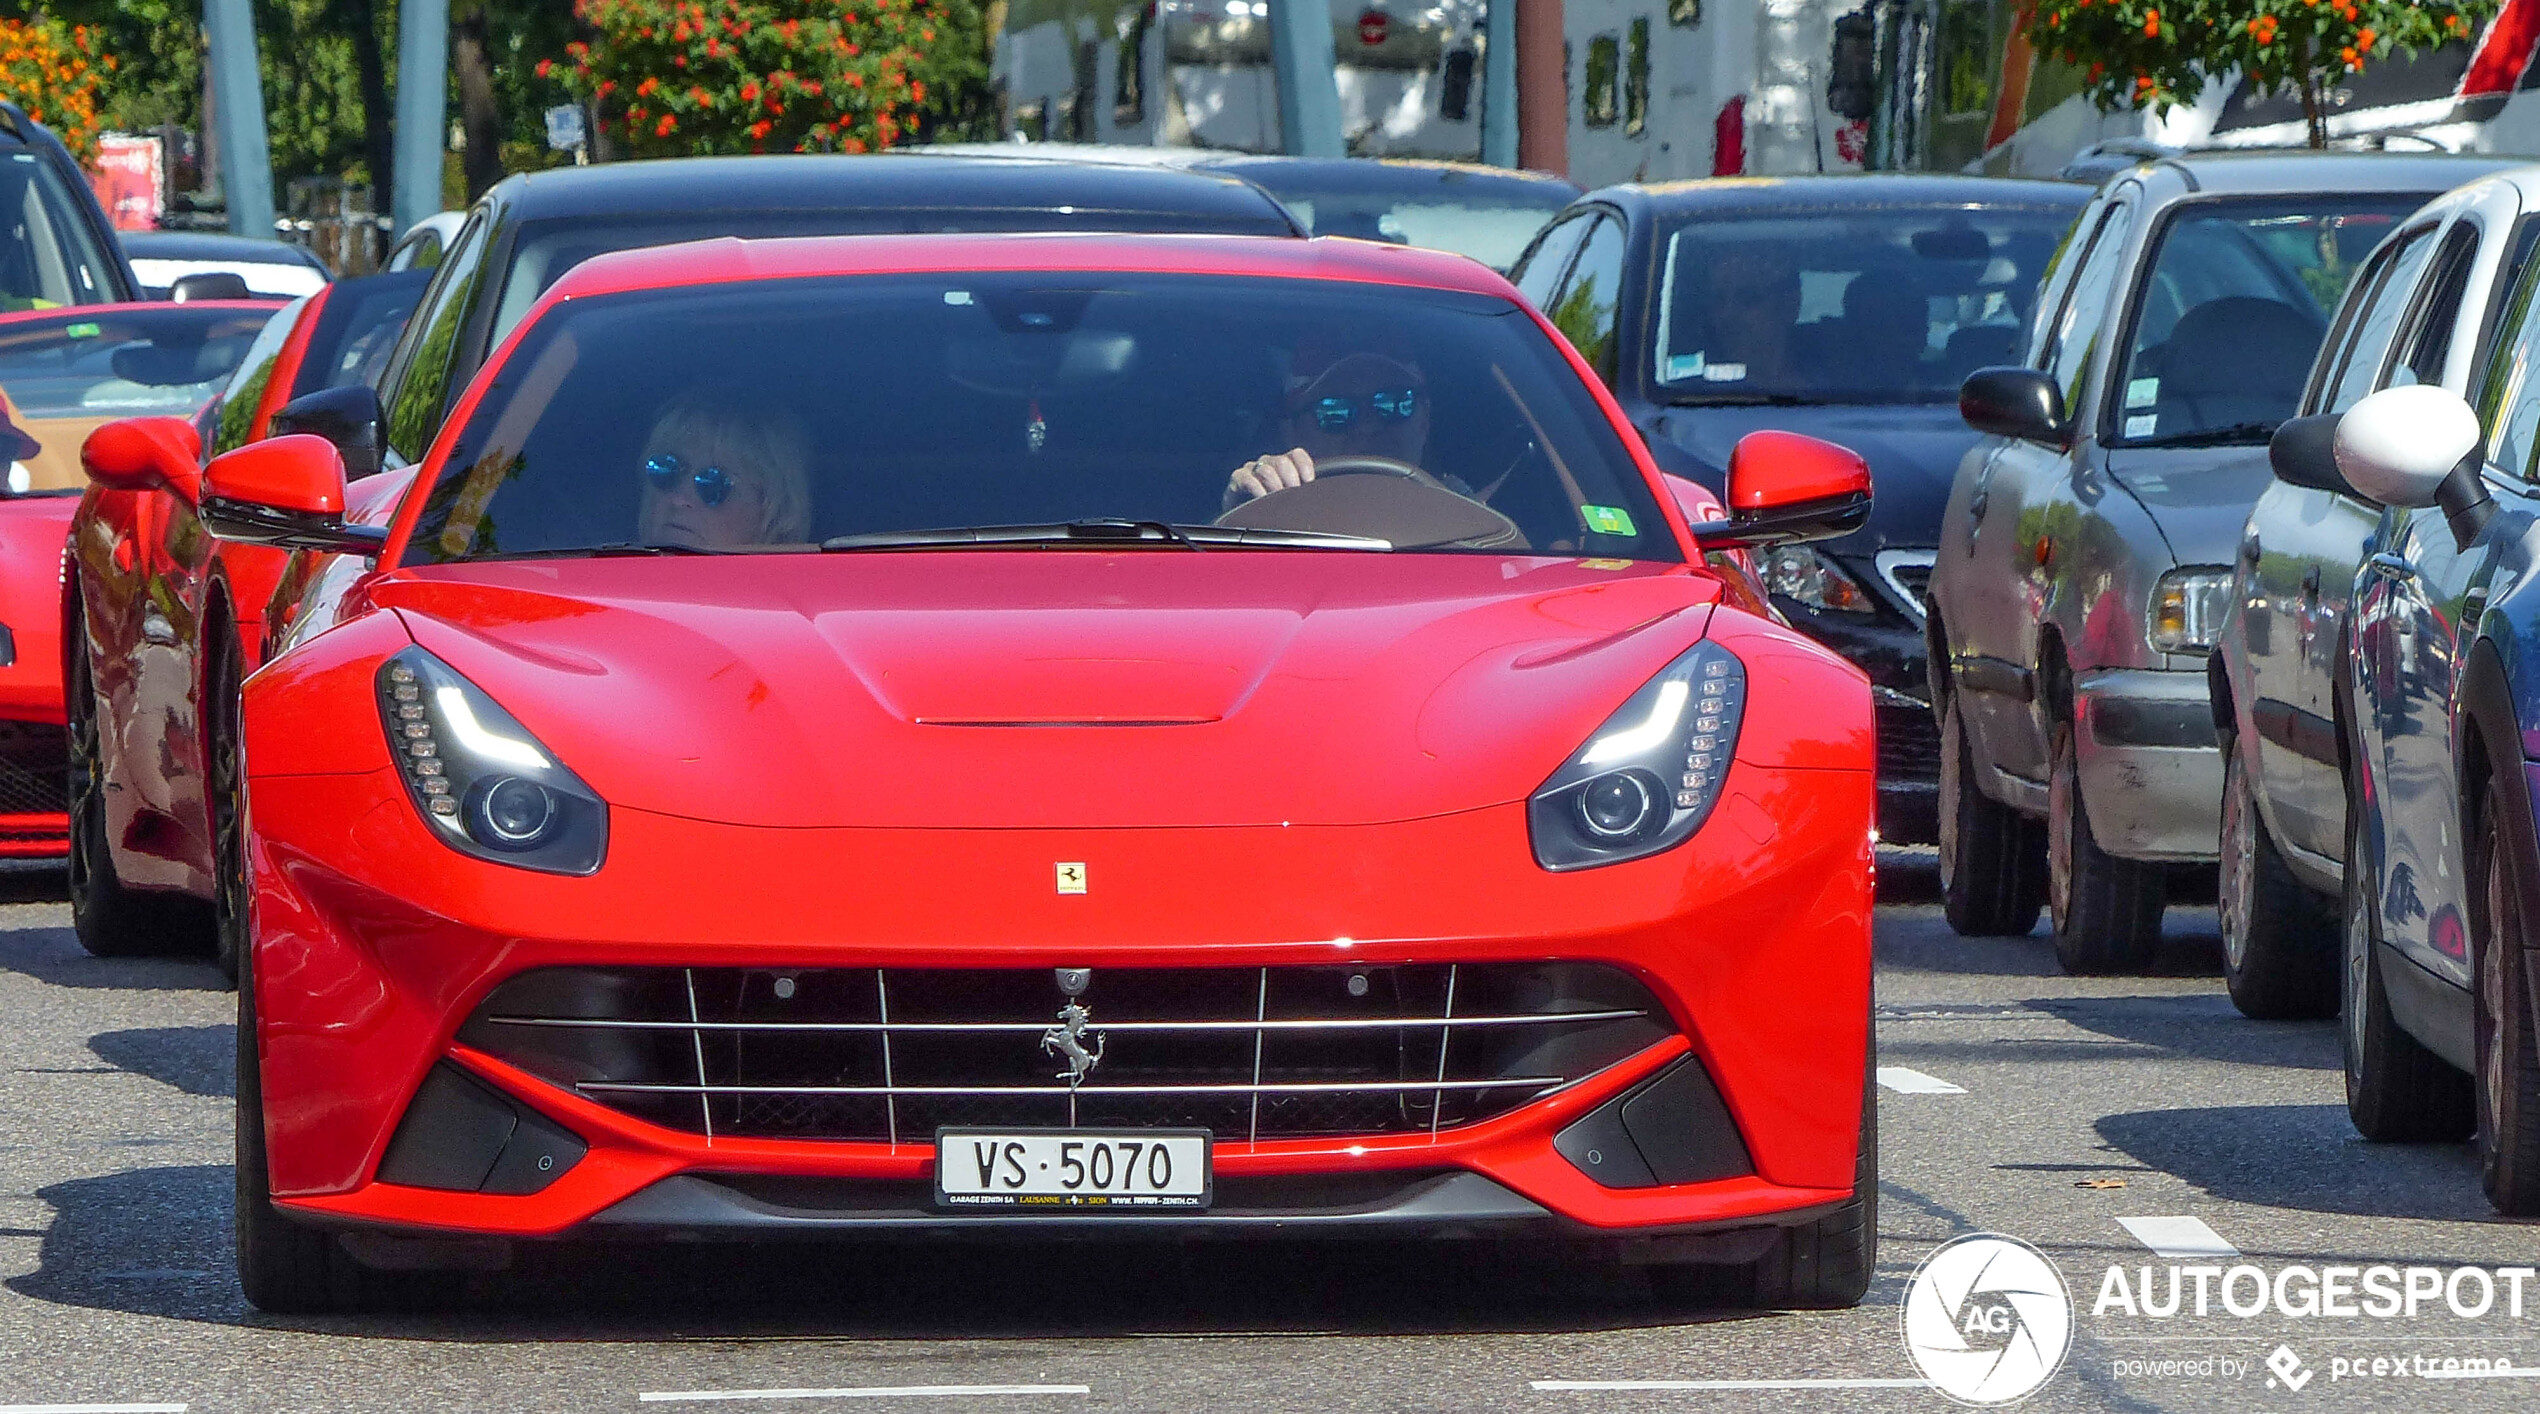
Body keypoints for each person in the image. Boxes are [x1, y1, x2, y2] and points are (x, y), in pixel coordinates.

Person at [1223, 349, 1432, 510]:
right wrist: (1245, 509)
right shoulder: (1275, 512)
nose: (1369, 426)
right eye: (1335, 410)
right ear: (1291, 433)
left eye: (1393, 403)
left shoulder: (1463, 511)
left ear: (1424, 419)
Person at [636, 390, 814, 549]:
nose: (679, 499)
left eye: (713, 484)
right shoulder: (610, 577)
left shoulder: (797, 587)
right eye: (665, 470)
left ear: (772, 515)